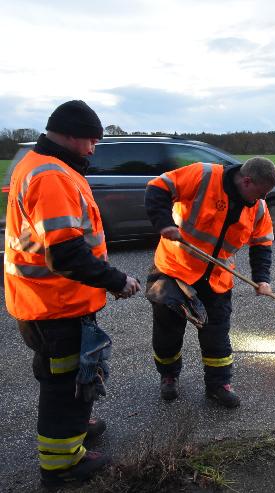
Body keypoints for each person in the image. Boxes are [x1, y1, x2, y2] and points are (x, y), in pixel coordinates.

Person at [4, 100, 141, 487]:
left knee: (61, 376)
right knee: (63, 385)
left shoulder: (36, 165)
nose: (94, 149)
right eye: (91, 141)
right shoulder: (53, 176)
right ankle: (62, 463)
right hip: (56, 304)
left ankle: (76, 426)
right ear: (67, 135)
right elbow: (65, 252)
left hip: (40, 300)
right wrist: (115, 280)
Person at [144, 156, 275, 408]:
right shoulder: (203, 176)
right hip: (175, 270)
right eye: (260, 193)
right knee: (167, 332)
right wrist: (163, 223)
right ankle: (169, 375)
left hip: (216, 278)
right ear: (246, 181)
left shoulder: (258, 207)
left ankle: (218, 385)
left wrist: (262, 279)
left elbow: (262, 244)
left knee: (216, 335)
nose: (262, 199)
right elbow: (156, 188)